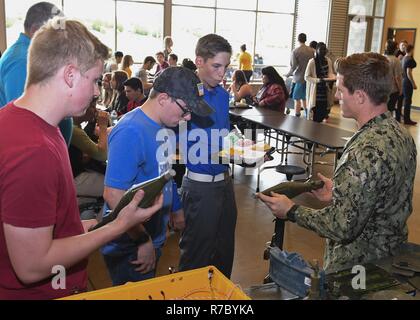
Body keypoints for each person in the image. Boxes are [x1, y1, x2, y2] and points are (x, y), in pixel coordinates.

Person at [0, 18, 163, 300]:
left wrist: (102, 223)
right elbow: (32, 265)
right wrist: (118, 226)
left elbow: (47, 228)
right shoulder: (33, 151)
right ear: (70, 75)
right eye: (96, 80)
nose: (98, 91)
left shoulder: (29, 123)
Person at [258, 52, 417, 273]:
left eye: (341, 90)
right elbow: (383, 196)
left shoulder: (366, 150)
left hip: (357, 269)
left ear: (360, 96)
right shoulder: (399, 133)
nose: (337, 95)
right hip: (388, 259)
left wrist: (292, 210)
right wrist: (340, 193)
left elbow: (343, 226)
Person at [102, 67, 213, 286]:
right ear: (163, 99)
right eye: (185, 110)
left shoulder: (166, 126)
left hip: (153, 233)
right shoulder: (131, 130)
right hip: (129, 242)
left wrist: (176, 207)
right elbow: (113, 194)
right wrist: (142, 240)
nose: (188, 117)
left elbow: (165, 173)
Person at [178, 34, 237, 279]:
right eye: (216, 66)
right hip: (200, 187)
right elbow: (168, 150)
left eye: (226, 67)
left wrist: (241, 146)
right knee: (195, 258)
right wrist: (173, 203)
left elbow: (222, 136)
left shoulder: (223, 96)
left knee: (224, 253)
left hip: (225, 183)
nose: (222, 73)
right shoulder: (184, 98)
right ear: (199, 61)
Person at [0, 2, 73, 145]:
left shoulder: (32, 56)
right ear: (35, 31)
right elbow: (23, 120)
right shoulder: (22, 60)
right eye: (56, 34)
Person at [69, 97, 109, 199]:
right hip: (74, 179)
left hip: (71, 174)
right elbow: (102, 155)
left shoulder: (72, 125)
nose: (96, 111)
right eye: (92, 107)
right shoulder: (75, 130)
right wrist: (103, 126)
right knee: (115, 187)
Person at [285, 33, 315, 117]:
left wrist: (288, 74)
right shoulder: (312, 51)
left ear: (298, 40)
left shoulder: (295, 51)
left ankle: (297, 115)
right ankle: (307, 114)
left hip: (299, 78)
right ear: (305, 39)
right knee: (305, 98)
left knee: (297, 98)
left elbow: (293, 66)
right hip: (309, 78)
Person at [305, 42, 335, 123]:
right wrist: (318, 80)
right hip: (316, 92)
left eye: (325, 49)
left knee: (323, 113)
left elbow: (330, 73)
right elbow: (306, 77)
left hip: (325, 92)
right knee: (315, 115)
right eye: (321, 49)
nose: (323, 51)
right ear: (317, 50)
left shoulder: (328, 60)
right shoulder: (312, 61)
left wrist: (332, 78)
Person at [384, 40, 403, 115]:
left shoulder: (381, 58)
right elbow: (397, 77)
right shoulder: (395, 60)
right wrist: (400, 89)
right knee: (390, 110)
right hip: (392, 90)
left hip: (380, 88)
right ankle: (388, 125)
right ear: (394, 49)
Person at [401, 44, 418, 125]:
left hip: (403, 81)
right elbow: (409, 72)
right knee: (408, 101)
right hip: (407, 82)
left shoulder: (404, 58)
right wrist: (413, 83)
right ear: (411, 49)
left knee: (404, 100)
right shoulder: (409, 59)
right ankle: (407, 119)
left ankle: (403, 118)